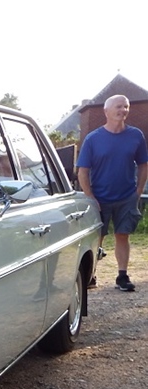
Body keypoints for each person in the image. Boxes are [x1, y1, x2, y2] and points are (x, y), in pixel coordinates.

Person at [77, 95, 148, 292]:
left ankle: (122, 276)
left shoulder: (136, 136)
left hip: (126, 196)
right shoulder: (93, 139)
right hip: (100, 197)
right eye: (118, 106)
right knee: (97, 237)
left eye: (126, 106)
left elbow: (144, 164)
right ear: (106, 111)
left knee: (122, 235)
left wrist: (138, 190)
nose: (123, 110)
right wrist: (90, 197)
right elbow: (82, 171)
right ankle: (91, 274)